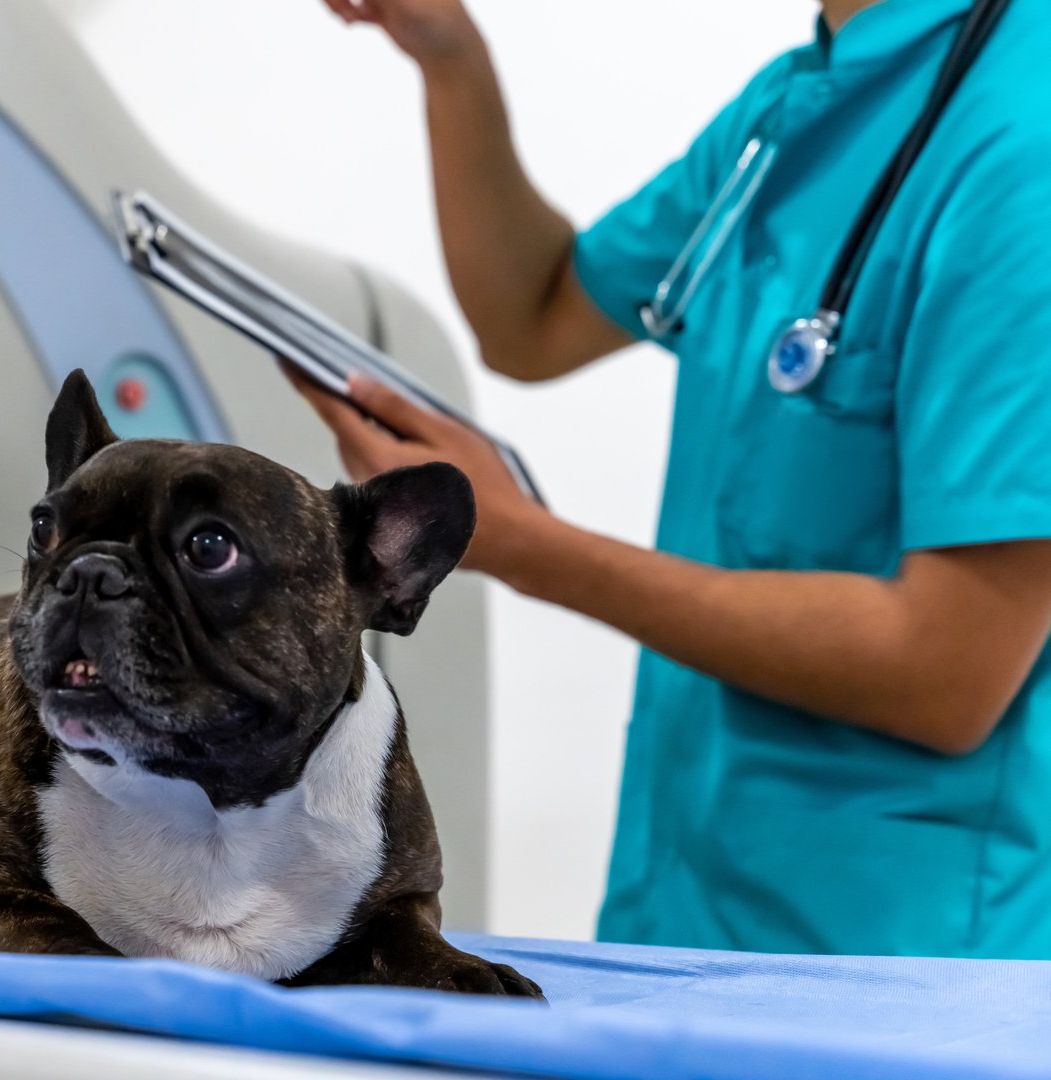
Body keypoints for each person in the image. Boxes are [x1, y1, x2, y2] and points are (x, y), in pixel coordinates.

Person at [290, 0, 1051, 958]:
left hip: (901, 969)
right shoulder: (802, 100)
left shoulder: (1023, 149)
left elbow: (952, 670)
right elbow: (536, 316)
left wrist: (533, 550)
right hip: (693, 921)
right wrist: (452, 61)